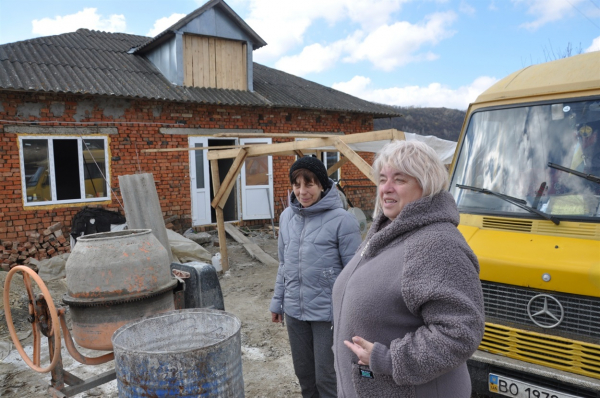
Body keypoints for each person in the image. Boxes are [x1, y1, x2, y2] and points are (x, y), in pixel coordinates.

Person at [332, 140, 485, 398]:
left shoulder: (437, 243)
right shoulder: (385, 232)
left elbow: (460, 332)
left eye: (399, 180)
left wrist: (388, 359)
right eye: (382, 179)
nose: (386, 189)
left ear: (426, 185)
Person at [270, 156, 362, 398]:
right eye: (296, 184)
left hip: (327, 315)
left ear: (322, 185)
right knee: (305, 375)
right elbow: (283, 264)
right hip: (294, 312)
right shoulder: (286, 218)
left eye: (308, 184)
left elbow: (354, 274)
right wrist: (277, 301)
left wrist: (352, 313)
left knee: (327, 377)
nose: (302, 191)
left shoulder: (343, 220)